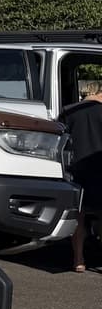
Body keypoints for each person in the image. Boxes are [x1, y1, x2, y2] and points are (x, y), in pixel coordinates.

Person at [61, 91, 102, 271]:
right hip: (99, 170)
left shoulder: (68, 111)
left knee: (79, 217)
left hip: (75, 169)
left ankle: (78, 259)